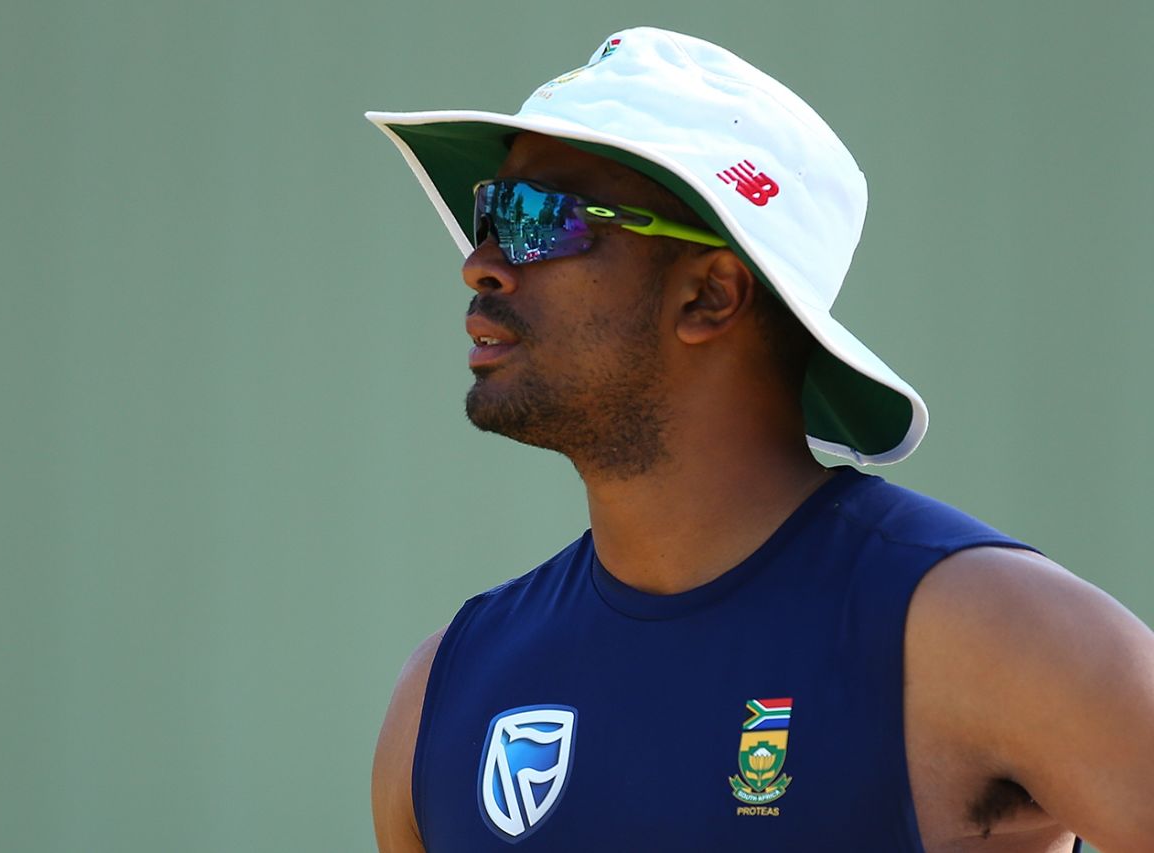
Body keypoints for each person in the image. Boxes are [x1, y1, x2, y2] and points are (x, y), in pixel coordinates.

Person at [364, 27, 1154, 852]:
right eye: (492, 214)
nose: (481, 264)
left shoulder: (988, 630)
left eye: (538, 218)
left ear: (710, 295)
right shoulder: (442, 699)